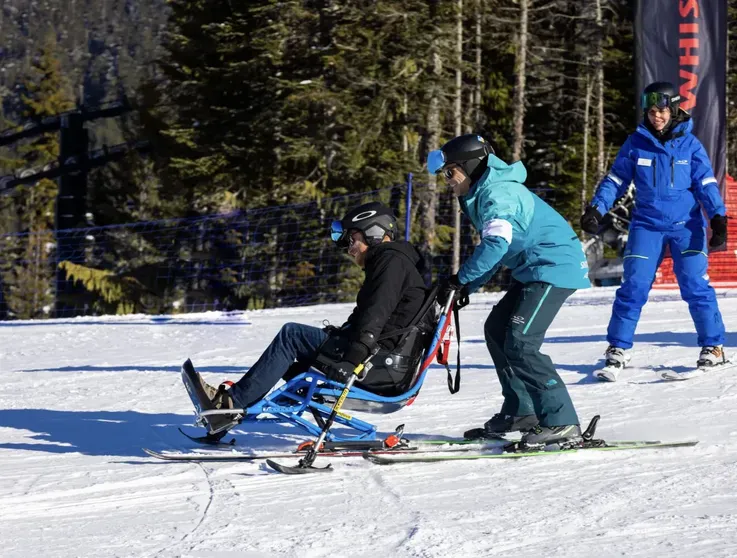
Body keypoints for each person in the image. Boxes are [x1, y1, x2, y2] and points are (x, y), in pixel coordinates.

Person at [190, 201, 429, 434]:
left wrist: (353, 357)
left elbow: (377, 311)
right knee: (294, 362)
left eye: (351, 239)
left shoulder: (391, 260)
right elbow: (375, 315)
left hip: (377, 365)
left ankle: (230, 406)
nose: (348, 248)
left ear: (374, 232)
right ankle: (233, 410)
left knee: (291, 335)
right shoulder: (395, 262)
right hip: (382, 362)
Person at [428, 134, 591, 449]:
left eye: (450, 172)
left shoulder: (498, 194)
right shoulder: (481, 193)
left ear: (471, 167)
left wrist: (461, 280)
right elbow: (497, 251)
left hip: (554, 267)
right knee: (498, 329)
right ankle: (521, 411)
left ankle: (561, 422)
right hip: (533, 269)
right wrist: (466, 286)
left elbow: (495, 245)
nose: (447, 181)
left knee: (521, 342)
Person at [580, 81, 728, 379]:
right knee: (633, 287)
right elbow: (616, 180)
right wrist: (597, 208)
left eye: (661, 110)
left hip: (686, 226)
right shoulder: (636, 142)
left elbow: (706, 183)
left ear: (672, 110)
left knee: (695, 287)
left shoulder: (690, 145)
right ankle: (617, 349)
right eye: (650, 111)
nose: (656, 116)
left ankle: (713, 347)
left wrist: (718, 217)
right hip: (646, 226)